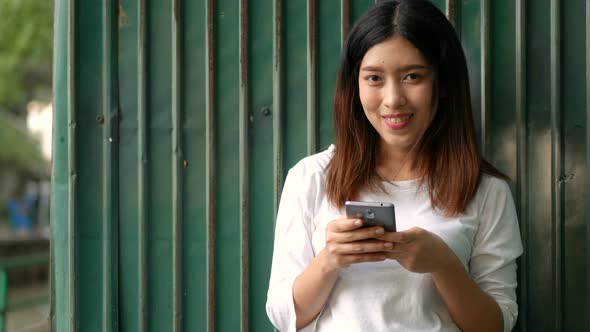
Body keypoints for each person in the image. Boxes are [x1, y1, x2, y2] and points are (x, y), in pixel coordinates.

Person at [266, 0, 523, 331]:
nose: (392, 99)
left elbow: (495, 325)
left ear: (442, 83)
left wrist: (444, 264)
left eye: (412, 76)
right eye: (374, 78)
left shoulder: (486, 190)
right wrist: (329, 260)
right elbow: (285, 317)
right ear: (354, 85)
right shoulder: (311, 177)